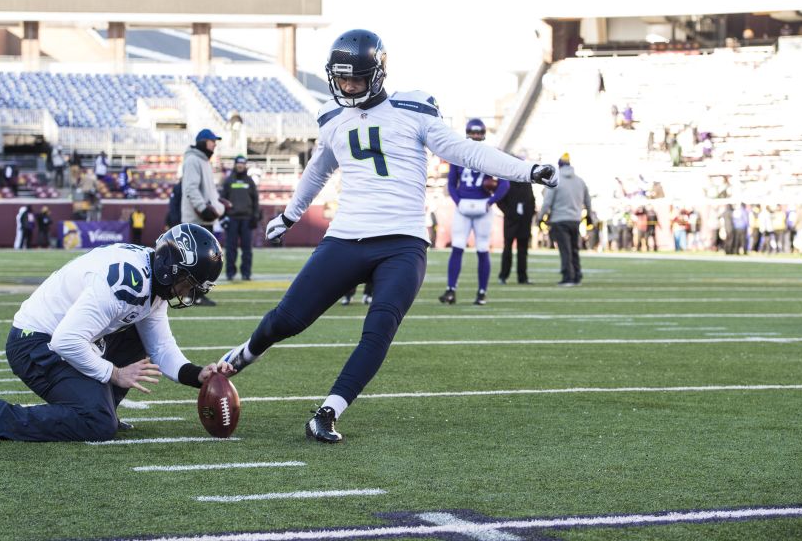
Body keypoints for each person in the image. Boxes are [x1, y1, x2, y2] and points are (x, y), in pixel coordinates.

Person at [217, 29, 558, 443]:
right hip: (346, 236)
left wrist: (527, 170)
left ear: (377, 73)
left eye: (356, 79)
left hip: (402, 241)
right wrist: (290, 214)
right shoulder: (332, 116)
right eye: (341, 79)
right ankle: (238, 359)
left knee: (379, 329)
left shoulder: (412, 109)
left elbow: (465, 152)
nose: (347, 87)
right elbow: (319, 167)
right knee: (287, 320)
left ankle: (328, 412)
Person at [0, 224, 235, 441]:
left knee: (138, 337)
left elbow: (160, 347)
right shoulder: (127, 283)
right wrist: (115, 374)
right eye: (189, 282)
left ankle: (103, 407)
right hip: (34, 343)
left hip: (66, 338)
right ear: (172, 267)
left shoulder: (151, 279)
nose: (188, 292)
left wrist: (198, 375)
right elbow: (65, 341)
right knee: (97, 424)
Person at [439, 118, 509, 306]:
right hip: (466, 206)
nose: (476, 136)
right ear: (468, 133)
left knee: (482, 249)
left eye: (479, 133)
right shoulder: (460, 155)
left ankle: (481, 291)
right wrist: (458, 200)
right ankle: (451, 289)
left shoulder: (487, 155)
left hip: (480, 206)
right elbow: (452, 183)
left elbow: (504, 183)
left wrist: (490, 201)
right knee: (458, 247)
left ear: (483, 134)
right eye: (473, 132)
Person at [179, 129, 226, 306]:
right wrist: (203, 208)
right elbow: (191, 189)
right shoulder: (193, 160)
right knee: (197, 261)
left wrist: (217, 204)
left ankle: (196, 294)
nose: (214, 144)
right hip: (196, 219)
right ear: (203, 141)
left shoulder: (203, 160)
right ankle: (192, 295)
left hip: (204, 219)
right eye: (212, 140)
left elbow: (206, 191)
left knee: (204, 261)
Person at [537, 153, 593, 286]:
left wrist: (541, 217)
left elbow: (547, 202)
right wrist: (589, 215)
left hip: (559, 219)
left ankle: (568, 276)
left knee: (565, 250)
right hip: (575, 219)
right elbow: (588, 200)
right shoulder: (580, 181)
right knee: (574, 249)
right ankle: (577, 275)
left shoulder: (556, 180)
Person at [221, 155, 261, 282]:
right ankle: (230, 273)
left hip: (246, 219)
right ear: (235, 164)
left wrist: (255, 217)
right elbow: (222, 200)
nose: (240, 165)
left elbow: (255, 201)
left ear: (245, 165)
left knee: (247, 249)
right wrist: (223, 218)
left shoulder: (250, 181)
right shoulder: (228, 181)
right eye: (238, 163)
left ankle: (246, 273)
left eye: (242, 163)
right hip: (232, 218)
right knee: (230, 248)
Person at [497, 167, 537, 285]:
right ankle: (503, 275)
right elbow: (500, 200)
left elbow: (531, 200)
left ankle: (522, 277)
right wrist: (509, 213)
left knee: (523, 251)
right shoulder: (507, 181)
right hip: (511, 221)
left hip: (524, 221)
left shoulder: (527, 182)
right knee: (507, 249)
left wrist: (529, 214)